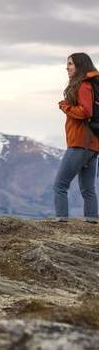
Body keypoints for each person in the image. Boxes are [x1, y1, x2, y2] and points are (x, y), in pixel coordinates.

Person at [54, 52, 99, 222]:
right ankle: (91, 221)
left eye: (70, 64)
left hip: (80, 143)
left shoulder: (83, 86)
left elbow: (85, 111)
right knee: (88, 189)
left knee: (60, 185)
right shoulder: (91, 85)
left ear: (80, 65)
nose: (67, 67)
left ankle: (61, 221)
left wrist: (65, 106)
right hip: (93, 144)